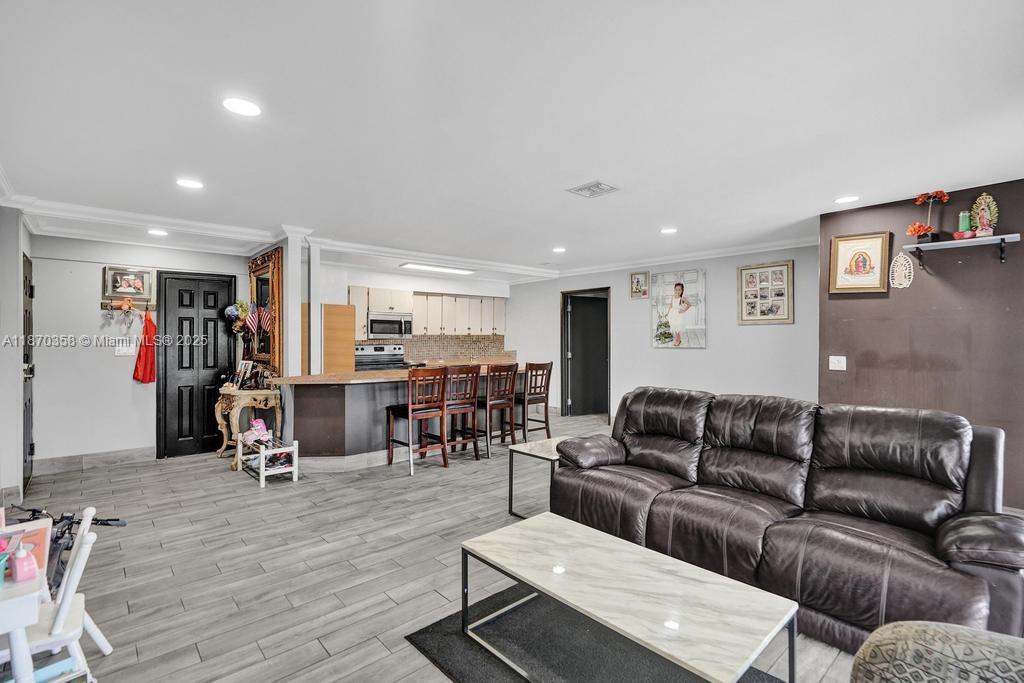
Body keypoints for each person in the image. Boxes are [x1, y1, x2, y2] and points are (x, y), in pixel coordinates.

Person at [665, 282, 691, 347]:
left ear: (682, 290)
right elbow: (671, 305)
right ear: (674, 290)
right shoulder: (673, 297)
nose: (677, 291)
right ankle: (677, 339)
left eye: (679, 290)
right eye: (676, 289)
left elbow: (689, 304)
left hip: (678, 314)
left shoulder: (682, 298)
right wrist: (667, 313)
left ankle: (678, 340)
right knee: (674, 326)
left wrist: (684, 310)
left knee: (677, 327)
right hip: (672, 314)